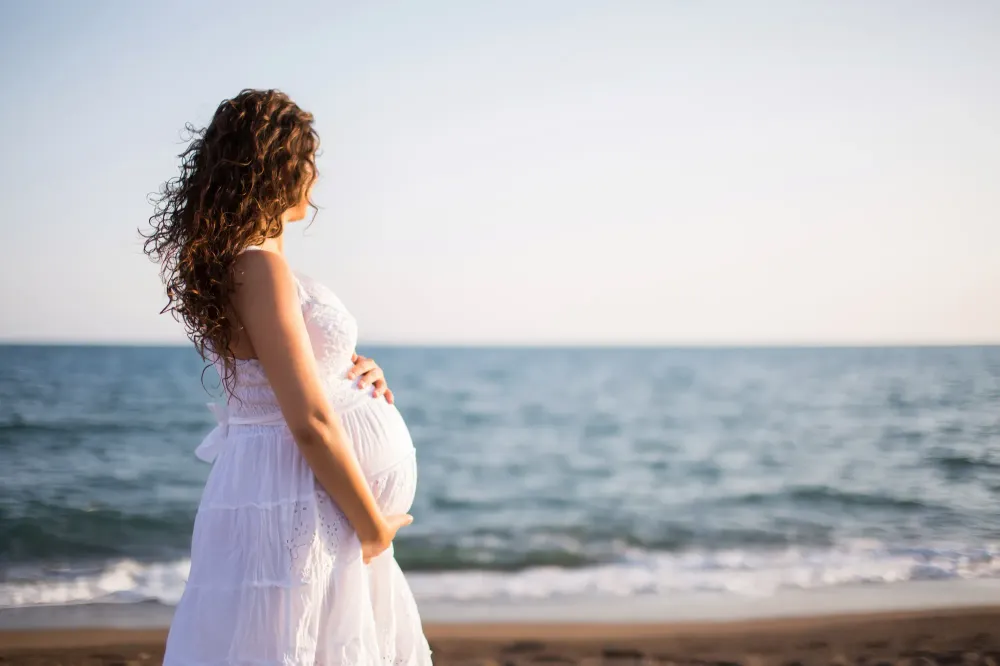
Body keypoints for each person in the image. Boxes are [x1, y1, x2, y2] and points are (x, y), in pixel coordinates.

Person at [144, 88, 432, 665]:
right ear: (274, 165)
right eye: (308, 158)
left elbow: (288, 374)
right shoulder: (259, 266)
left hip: (290, 492)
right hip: (295, 494)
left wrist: (353, 367)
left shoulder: (253, 265)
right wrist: (373, 527)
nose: (317, 175)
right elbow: (309, 423)